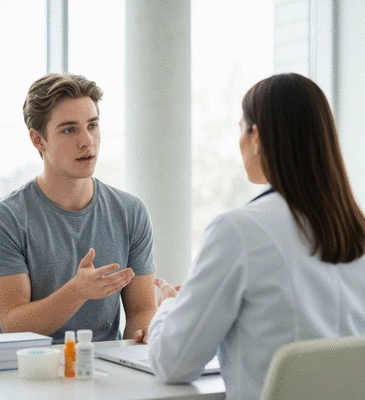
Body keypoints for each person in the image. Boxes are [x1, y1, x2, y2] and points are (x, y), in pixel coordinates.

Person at [147, 73, 365, 399]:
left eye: (240, 129)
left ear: (257, 136)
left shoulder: (238, 231)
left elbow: (173, 362)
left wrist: (169, 307)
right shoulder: (356, 228)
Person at [0, 73, 157, 344]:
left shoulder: (130, 212)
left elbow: (141, 310)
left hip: (103, 369)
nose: (87, 141)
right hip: (26, 372)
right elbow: (13, 324)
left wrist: (147, 334)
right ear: (38, 140)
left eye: (93, 125)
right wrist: (77, 291)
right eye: (69, 130)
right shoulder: (4, 218)